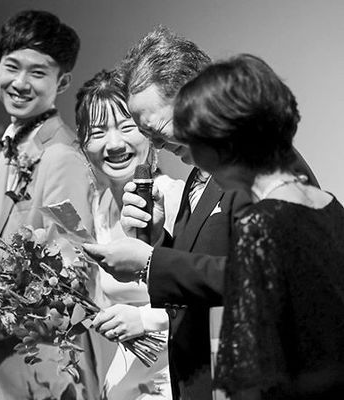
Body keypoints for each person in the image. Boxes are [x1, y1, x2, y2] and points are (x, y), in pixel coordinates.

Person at [83, 27, 318, 400]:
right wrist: (160, 239)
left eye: (157, 129)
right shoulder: (201, 171)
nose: (154, 144)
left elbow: (262, 276)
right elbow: (202, 269)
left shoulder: (263, 168)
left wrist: (150, 264)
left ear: (195, 97)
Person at [173, 53, 344, 400]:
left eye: (195, 140)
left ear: (224, 144)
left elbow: (251, 375)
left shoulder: (259, 227)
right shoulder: (330, 207)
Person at [0, 10, 97, 400]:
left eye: (37, 72)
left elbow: (69, 276)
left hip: (43, 370)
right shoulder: (7, 154)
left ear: (62, 82)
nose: (19, 83)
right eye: (12, 67)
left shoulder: (62, 158)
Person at [75, 69, 182, 399]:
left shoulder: (173, 198)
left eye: (126, 127)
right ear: (83, 144)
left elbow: (205, 296)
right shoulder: (101, 206)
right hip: (125, 379)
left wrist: (145, 319)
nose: (114, 144)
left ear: (148, 131)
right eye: (98, 132)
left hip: (175, 376)